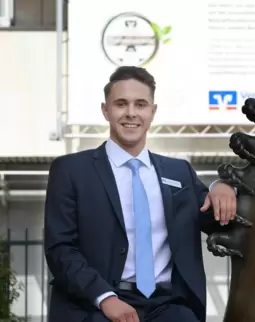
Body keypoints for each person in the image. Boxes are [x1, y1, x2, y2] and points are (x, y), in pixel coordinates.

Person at [44, 66, 237, 322]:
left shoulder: (179, 172)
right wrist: (106, 298)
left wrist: (222, 186)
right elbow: (60, 249)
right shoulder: (71, 170)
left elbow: (216, 219)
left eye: (141, 104)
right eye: (121, 104)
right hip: (96, 305)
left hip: (168, 305)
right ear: (106, 110)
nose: (131, 113)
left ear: (152, 112)